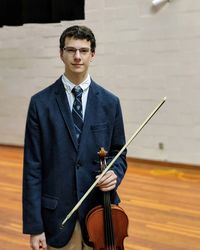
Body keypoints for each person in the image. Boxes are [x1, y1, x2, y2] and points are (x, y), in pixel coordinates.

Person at [23, 25, 127, 250]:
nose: (77, 56)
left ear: (93, 54)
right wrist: (35, 226)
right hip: (57, 219)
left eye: (83, 50)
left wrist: (114, 172)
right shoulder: (40, 104)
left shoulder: (111, 103)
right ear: (61, 53)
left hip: (101, 216)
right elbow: (32, 168)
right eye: (71, 50)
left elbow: (119, 151)